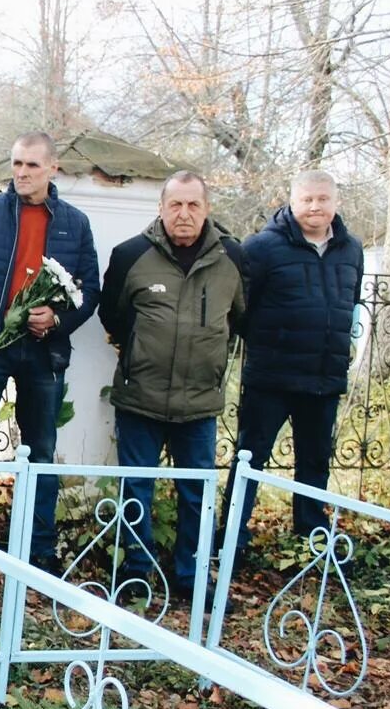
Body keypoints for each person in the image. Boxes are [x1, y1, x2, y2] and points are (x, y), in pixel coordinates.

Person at [0, 132, 100, 574]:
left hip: (44, 354)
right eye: (17, 164)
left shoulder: (74, 223)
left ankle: (36, 547)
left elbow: (90, 291)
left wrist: (57, 320)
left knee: (40, 452)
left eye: (32, 165)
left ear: (53, 169)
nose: (23, 173)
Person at [99, 171, 244, 598]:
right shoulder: (130, 256)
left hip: (199, 402)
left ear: (206, 209)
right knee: (135, 488)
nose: (184, 214)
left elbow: (239, 318)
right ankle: (137, 571)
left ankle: (191, 576)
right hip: (141, 395)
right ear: (161, 208)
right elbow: (114, 316)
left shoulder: (232, 259)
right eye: (175, 205)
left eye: (193, 205)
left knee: (198, 494)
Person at [228, 170, 364, 550]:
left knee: (315, 463)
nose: (315, 206)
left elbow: (348, 303)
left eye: (322, 199)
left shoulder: (351, 249)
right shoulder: (262, 247)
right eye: (307, 199)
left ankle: (310, 534)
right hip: (271, 378)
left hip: (323, 378)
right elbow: (241, 310)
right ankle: (233, 537)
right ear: (292, 200)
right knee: (250, 461)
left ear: (335, 202)